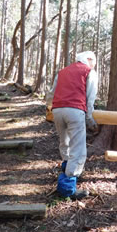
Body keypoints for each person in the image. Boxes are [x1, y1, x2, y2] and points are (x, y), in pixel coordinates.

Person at [50, 51, 98, 200]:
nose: (94, 65)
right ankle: (67, 188)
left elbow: (51, 93)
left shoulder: (63, 71)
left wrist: (50, 107)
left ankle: (66, 171)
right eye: (94, 61)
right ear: (89, 59)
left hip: (57, 110)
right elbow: (90, 98)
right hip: (75, 111)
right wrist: (89, 118)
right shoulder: (89, 71)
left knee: (65, 143)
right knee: (78, 149)